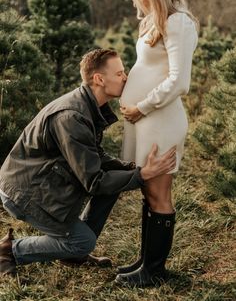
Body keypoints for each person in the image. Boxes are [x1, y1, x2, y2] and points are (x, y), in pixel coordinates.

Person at [0, 48, 176, 276]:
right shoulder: (71, 117)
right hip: (25, 193)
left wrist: (132, 169)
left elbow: (95, 158)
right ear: (99, 79)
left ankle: (73, 255)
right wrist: (142, 175)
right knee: (83, 241)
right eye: (120, 73)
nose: (126, 77)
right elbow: (94, 181)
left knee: (114, 184)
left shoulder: (87, 106)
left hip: (43, 182)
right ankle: (10, 251)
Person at [116, 0, 198, 287]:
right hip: (143, 120)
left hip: (159, 118)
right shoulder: (151, 21)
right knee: (146, 189)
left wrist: (143, 106)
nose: (140, 2)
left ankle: (154, 272)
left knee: (159, 192)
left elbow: (180, 81)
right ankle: (145, 260)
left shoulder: (178, 22)